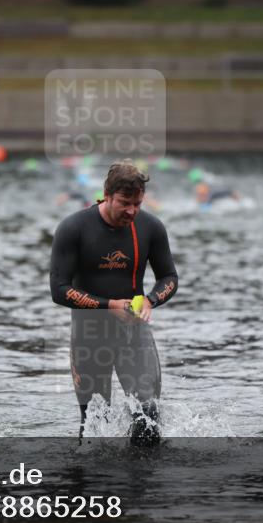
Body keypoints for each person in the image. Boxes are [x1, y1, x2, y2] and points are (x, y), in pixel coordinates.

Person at [50, 160, 179, 445]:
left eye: (138, 203)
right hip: (89, 335)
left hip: (134, 333)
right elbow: (59, 290)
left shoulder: (151, 227)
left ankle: (140, 485)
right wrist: (111, 305)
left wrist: (150, 300)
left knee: (149, 415)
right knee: (95, 422)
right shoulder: (74, 228)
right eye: (124, 203)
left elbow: (169, 277)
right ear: (106, 195)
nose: (132, 211)